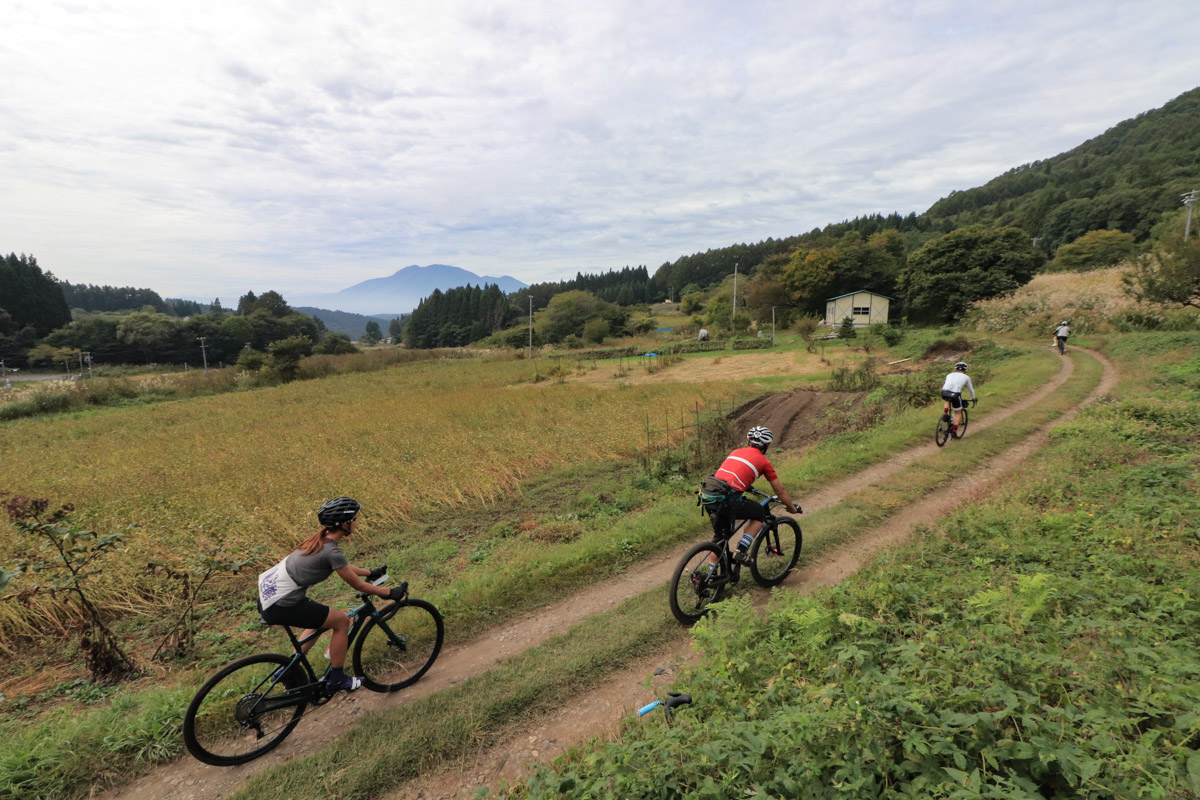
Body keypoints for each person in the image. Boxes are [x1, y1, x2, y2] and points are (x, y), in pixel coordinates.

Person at [256, 497, 403, 692]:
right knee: (341, 622)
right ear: (345, 524)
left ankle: (286, 670)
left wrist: (371, 572)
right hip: (283, 603)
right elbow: (358, 585)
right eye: (355, 519)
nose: (357, 522)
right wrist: (389, 592)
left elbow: (341, 566)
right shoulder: (331, 551)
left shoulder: (317, 541)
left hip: (269, 597)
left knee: (318, 620)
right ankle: (338, 679)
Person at [705, 426, 800, 564]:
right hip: (727, 500)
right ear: (766, 446)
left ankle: (711, 577)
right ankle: (741, 551)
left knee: (720, 538)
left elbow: (731, 473)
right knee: (759, 513)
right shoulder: (763, 462)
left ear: (749, 441)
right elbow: (780, 491)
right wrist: (792, 507)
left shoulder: (736, 452)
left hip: (709, 496)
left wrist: (746, 485)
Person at [941, 362, 977, 431]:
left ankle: (945, 414)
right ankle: (954, 431)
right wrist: (973, 398)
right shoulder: (966, 377)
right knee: (958, 413)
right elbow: (971, 389)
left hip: (944, 392)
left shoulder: (949, 375)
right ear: (965, 370)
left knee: (947, 400)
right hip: (955, 394)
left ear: (955, 369)